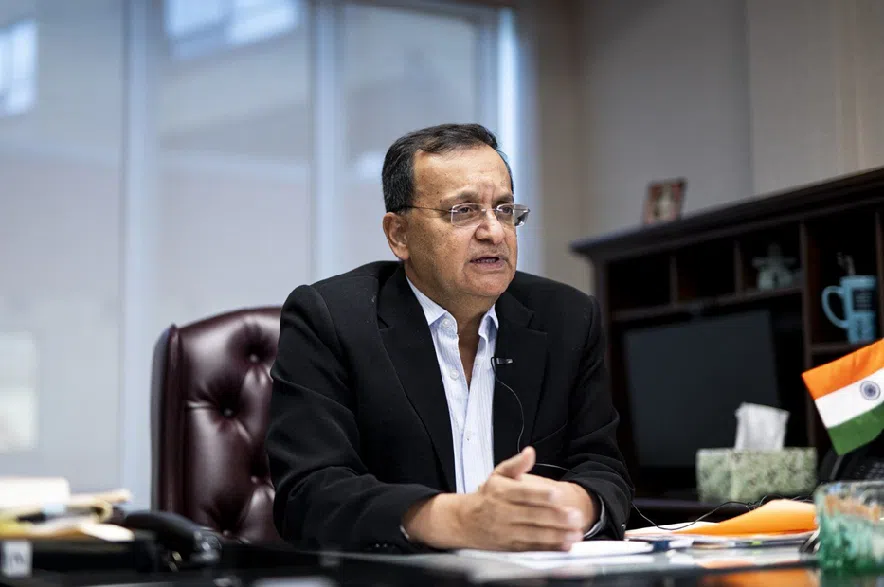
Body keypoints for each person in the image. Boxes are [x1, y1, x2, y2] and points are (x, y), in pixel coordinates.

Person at [266, 123, 633, 554]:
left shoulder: (568, 318)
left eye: (504, 209)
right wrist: (459, 520)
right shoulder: (330, 319)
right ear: (398, 234)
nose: (494, 232)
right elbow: (309, 494)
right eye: (463, 211)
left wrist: (572, 505)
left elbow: (602, 466)